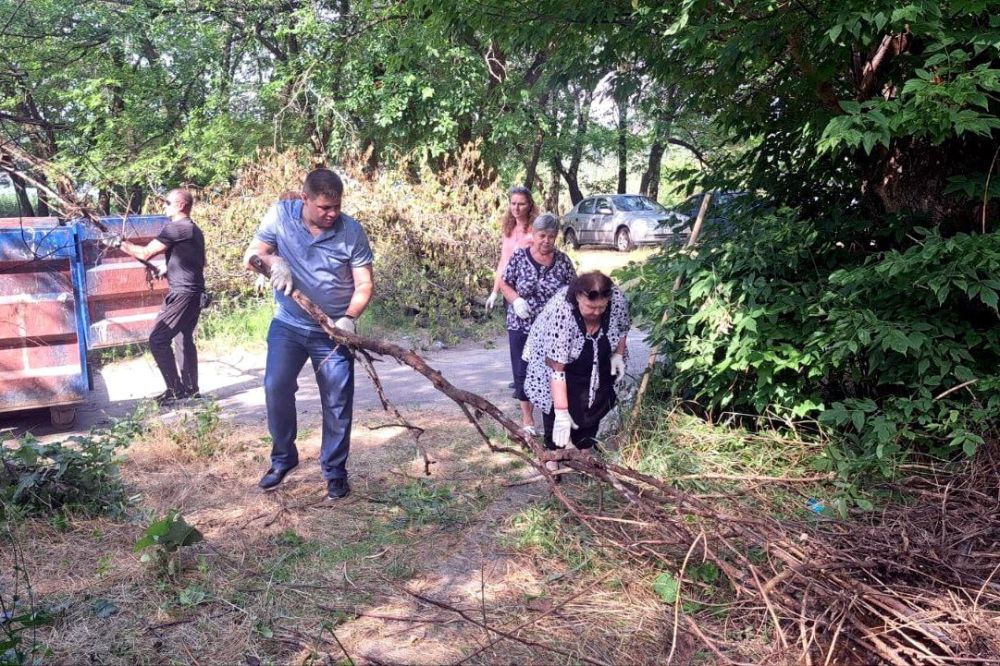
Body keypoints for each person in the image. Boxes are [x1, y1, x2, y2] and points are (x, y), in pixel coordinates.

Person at [243, 168, 374, 500]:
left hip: (333, 332)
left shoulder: (351, 231)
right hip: (288, 324)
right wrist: (274, 262)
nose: (332, 214)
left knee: (337, 400)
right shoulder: (281, 214)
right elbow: (252, 254)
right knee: (275, 386)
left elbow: (364, 283)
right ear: (305, 199)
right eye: (324, 208)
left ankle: (334, 471)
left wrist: (348, 318)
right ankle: (284, 458)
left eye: (336, 207)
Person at [523, 271, 630, 470]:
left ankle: (584, 448)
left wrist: (618, 354)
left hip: (600, 351)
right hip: (554, 358)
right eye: (591, 307)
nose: (597, 312)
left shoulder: (617, 300)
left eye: (601, 307)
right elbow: (557, 370)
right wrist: (562, 412)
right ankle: (553, 455)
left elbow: (623, 328)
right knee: (557, 405)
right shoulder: (562, 311)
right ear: (579, 296)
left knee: (599, 395)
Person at [114, 188, 206, 403]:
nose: (163, 206)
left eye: (167, 202)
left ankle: (175, 391)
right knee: (183, 338)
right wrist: (168, 268)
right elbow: (197, 262)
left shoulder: (177, 228)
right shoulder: (193, 230)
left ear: (181, 205)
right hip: (194, 292)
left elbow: (145, 252)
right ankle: (191, 389)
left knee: (158, 339)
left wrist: (120, 244)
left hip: (183, 293)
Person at [499, 213, 576, 436]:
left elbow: (574, 290)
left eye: (551, 237)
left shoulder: (562, 261)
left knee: (551, 371)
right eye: (542, 235)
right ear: (533, 234)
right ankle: (527, 418)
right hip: (521, 324)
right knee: (522, 371)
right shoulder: (520, 256)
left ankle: (553, 418)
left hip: (552, 329)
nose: (546, 241)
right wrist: (515, 300)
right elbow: (504, 282)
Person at [484, 185, 536, 311]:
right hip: (508, 290)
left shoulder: (536, 231)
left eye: (521, 204)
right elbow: (503, 262)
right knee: (512, 329)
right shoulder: (508, 229)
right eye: (513, 203)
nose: (516, 208)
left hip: (530, 292)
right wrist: (495, 292)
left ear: (529, 205)